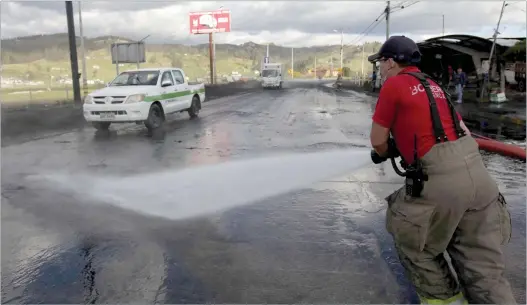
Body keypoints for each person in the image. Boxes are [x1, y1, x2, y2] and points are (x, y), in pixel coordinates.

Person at [368, 35, 515, 305]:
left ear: (390, 62)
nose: (380, 69)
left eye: (380, 63)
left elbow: (378, 142)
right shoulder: (434, 85)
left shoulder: (394, 85)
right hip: (480, 182)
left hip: (440, 184)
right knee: (484, 271)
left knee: (414, 241)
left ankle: (445, 301)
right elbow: (462, 131)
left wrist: (388, 150)